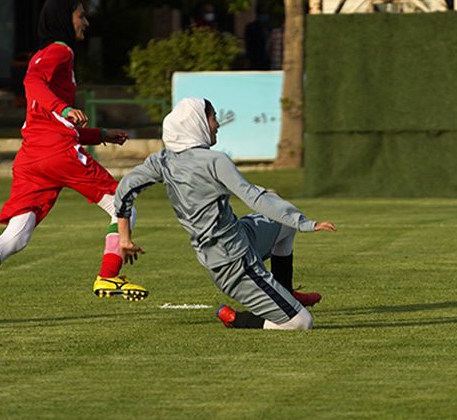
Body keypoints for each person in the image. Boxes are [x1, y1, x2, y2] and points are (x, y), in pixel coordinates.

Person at [0, 0, 147, 330]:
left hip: (32, 157)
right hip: (56, 153)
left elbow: (47, 123)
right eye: (81, 15)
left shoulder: (48, 56)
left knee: (18, 234)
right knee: (124, 207)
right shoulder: (60, 51)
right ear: (66, 19)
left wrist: (101, 134)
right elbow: (32, 82)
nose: (86, 22)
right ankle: (109, 276)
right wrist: (63, 108)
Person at [113, 96, 336, 330]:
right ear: (197, 122)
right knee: (300, 322)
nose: (217, 124)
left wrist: (124, 238)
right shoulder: (214, 160)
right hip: (233, 263)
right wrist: (306, 223)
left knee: (284, 223)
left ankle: (285, 292)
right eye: (213, 118)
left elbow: (125, 189)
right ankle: (234, 318)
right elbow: (254, 197)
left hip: (241, 236)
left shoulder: (163, 160)